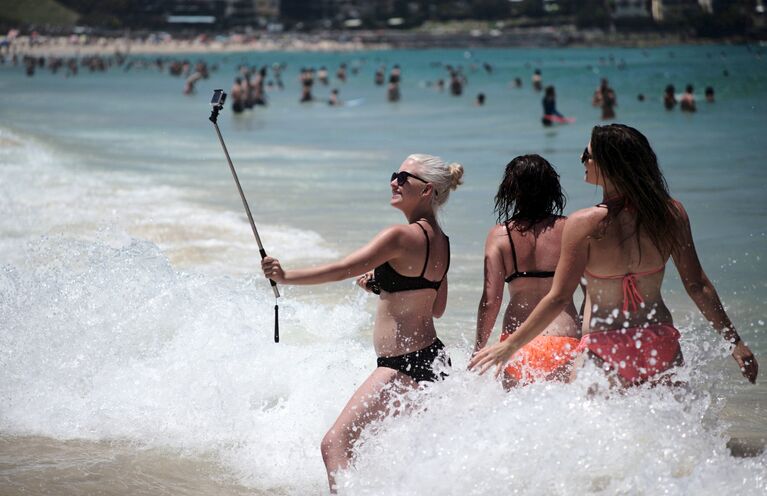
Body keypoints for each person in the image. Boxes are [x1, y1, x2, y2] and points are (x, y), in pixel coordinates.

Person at [470, 124, 757, 388]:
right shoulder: (671, 213)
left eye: (588, 155)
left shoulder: (584, 223)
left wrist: (510, 345)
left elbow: (558, 298)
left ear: (609, 164)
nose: (583, 160)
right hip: (658, 339)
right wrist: (735, 342)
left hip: (604, 347)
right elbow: (697, 285)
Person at [261, 155, 464, 492]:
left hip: (403, 366)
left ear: (427, 190)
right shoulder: (443, 242)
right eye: (394, 175)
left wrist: (286, 276)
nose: (394, 182)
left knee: (334, 445)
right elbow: (436, 306)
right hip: (432, 360)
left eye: (403, 177)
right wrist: (382, 284)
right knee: (386, 458)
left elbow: (343, 268)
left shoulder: (399, 237)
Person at [474, 155, 579, 388]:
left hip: (516, 343)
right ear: (552, 188)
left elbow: (490, 301)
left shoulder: (500, 236)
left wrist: (479, 348)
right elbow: (592, 287)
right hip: (565, 338)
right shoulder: (571, 228)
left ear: (510, 190)